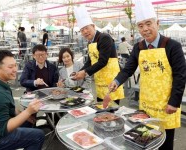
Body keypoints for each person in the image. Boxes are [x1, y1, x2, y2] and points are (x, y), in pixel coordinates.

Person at [109, 0, 186, 150]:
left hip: (166, 104)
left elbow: (180, 76)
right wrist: (117, 81)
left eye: (148, 24)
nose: (145, 29)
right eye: (141, 25)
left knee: (164, 142)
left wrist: (174, 101)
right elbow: (128, 69)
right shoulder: (139, 47)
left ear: (158, 23)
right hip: (146, 103)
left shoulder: (173, 46)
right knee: (145, 139)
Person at [0, 50, 44, 150]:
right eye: (10, 67)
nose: (15, 69)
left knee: (29, 121)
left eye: (15, 65)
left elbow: (9, 107)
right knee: (38, 135)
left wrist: (25, 115)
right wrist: (28, 111)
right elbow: (3, 129)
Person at [73, 6, 124, 104]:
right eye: (82, 30)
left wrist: (85, 72)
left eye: (86, 28)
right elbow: (90, 61)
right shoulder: (90, 42)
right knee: (101, 108)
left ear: (93, 26)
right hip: (100, 81)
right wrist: (80, 72)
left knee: (111, 111)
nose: (85, 32)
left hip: (111, 81)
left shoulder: (104, 38)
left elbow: (103, 61)